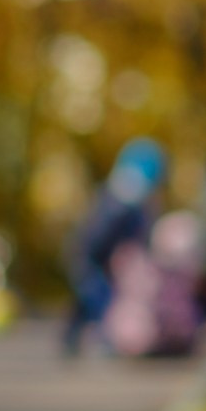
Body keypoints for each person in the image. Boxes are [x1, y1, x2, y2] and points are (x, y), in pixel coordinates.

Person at [64, 138, 166, 356]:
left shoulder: (116, 195)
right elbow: (104, 238)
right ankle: (104, 340)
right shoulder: (126, 199)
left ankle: (74, 340)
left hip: (90, 256)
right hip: (91, 257)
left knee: (89, 298)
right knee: (99, 298)